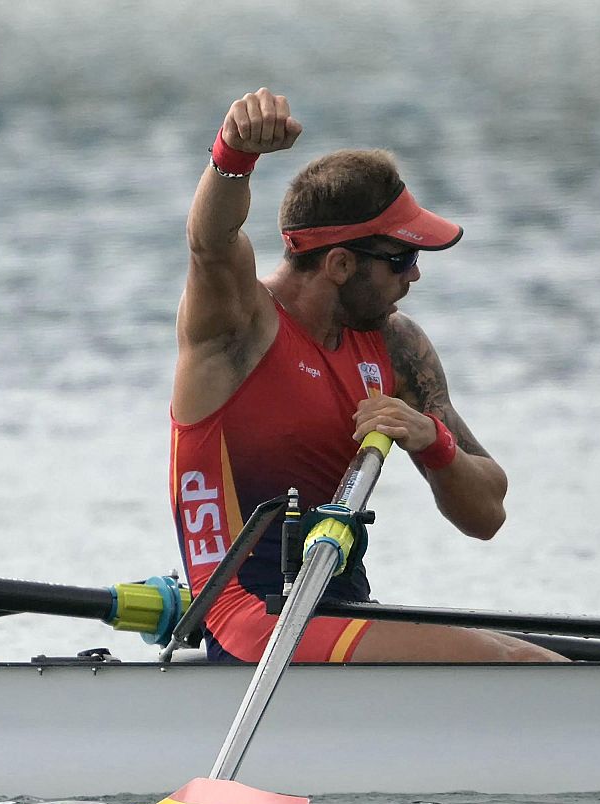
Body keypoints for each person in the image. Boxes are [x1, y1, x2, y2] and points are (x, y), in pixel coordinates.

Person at [169, 88, 563, 665]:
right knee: (523, 665)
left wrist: (433, 443)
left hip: (339, 613)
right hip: (250, 621)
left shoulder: (395, 345)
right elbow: (210, 245)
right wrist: (233, 155)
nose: (417, 276)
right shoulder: (238, 327)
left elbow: (489, 512)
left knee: (522, 655)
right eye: (401, 259)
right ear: (341, 264)